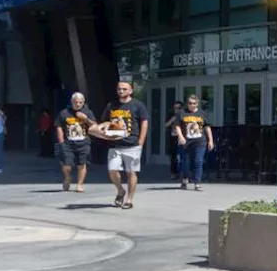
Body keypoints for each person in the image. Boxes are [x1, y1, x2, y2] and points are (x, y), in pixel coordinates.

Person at [92, 81, 150, 209]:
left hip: (132, 144)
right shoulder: (111, 105)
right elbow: (105, 121)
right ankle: (120, 191)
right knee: (112, 170)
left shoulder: (137, 105)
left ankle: (129, 199)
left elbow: (144, 122)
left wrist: (141, 141)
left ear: (130, 91)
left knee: (131, 172)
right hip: (114, 144)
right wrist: (103, 133)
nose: (121, 91)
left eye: (124, 89)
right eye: (119, 89)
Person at [56, 93, 96, 192]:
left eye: (80, 102)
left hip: (83, 143)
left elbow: (95, 126)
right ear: (71, 102)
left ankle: (80, 184)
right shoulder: (65, 113)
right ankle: (67, 178)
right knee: (67, 165)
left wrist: (86, 119)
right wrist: (61, 141)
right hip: (68, 143)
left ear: (83, 103)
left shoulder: (87, 112)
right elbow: (59, 126)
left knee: (82, 164)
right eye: (75, 102)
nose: (77, 104)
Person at [176, 94, 214, 191]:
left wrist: (210, 140)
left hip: (200, 141)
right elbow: (177, 126)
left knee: (198, 161)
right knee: (186, 162)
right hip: (186, 142)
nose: (191, 105)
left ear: (197, 104)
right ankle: (185, 178)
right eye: (189, 103)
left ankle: (197, 182)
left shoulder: (202, 114)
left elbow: (207, 127)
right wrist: (180, 137)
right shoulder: (182, 113)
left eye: (194, 103)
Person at [164, 100, 183, 180]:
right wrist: (172, 119)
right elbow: (166, 125)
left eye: (179, 108)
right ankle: (174, 173)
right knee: (173, 156)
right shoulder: (171, 115)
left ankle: (183, 173)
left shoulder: (184, 115)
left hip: (182, 137)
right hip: (173, 136)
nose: (177, 109)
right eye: (175, 108)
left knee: (182, 156)